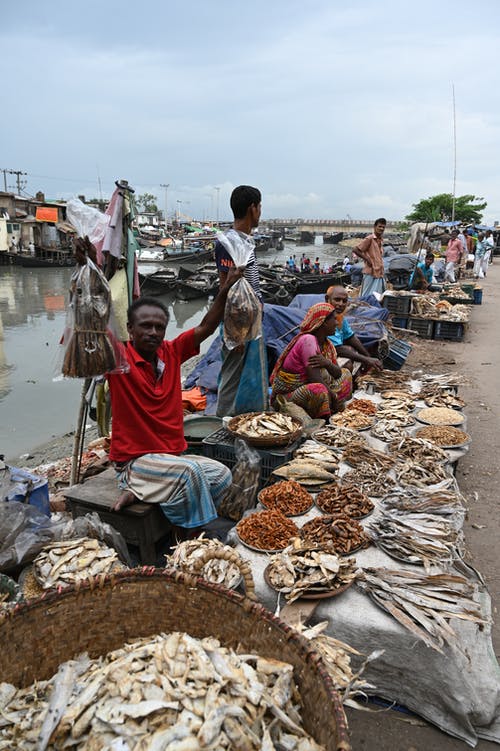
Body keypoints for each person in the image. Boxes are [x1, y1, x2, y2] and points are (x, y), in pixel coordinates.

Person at [108, 270, 242, 530]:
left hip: (169, 458)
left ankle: (147, 494)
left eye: (159, 327)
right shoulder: (118, 360)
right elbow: (91, 333)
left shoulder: (170, 352)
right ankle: (200, 534)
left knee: (222, 475)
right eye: (145, 326)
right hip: (135, 463)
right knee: (189, 474)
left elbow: (206, 327)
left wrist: (224, 292)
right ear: (130, 330)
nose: (153, 332)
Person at [214, 185, 268, 417]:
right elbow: (226, 285)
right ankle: (223, 421)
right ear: (252, 208)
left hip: (250, 319)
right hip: (238, 320)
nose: (260, 212)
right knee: (232, 373)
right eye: (259, 206)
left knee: (251, 374)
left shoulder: (245, 241)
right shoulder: (230, 243)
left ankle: (247, 419)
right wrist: (238, 329)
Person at [270, 303, 352, 419]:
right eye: (334, 319)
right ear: (323, 322)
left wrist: (327, 363)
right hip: (288, 395)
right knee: (319, 390)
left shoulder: (326, 344)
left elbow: (338, 373)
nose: (337, 323)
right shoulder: (308, 340)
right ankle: (325, 420)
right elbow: (315, 378)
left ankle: (334, 410)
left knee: (346, 374)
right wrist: (333, 396)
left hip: (308, 386)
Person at [325, 286, 383, 372]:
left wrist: (368, 356)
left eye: (344, 301)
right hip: (322, 356)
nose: (341, 304)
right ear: (327, 299)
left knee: (355, 349)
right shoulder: (325, 317)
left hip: (333, 352)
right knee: (347, 362)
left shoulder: (339, 316)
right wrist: (366, 359)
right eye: (337, 300)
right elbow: (337, 348)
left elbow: (350, 337)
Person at [354, 218, 386, 297]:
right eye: (380, 226)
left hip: (379, 272)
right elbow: (356, 249)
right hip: (370, 272)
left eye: (383, 227)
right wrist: (367, 259)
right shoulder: (370, 239)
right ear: (375, 227)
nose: (381, 229)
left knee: (377, 296)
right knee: (366, 295)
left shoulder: (380, 240)